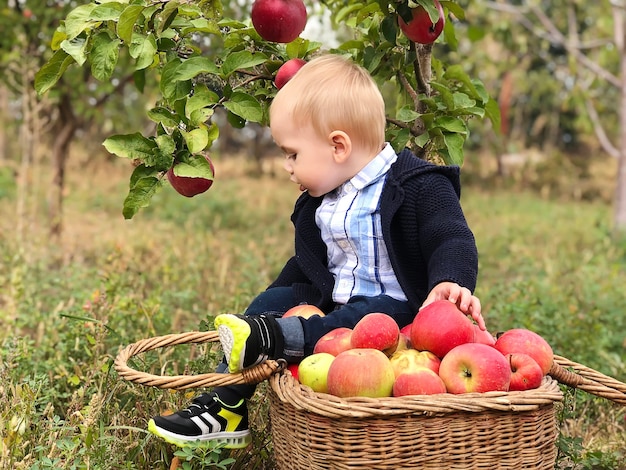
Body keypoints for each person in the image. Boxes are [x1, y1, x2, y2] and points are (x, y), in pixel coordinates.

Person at [147, 54, 483, 449]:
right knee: (271, 301)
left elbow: (452, 237)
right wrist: (268, 304)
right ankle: (224, 407)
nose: (287, 167)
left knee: (367, 317)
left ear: (338, 146)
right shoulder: (321, 199)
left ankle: (279, 337)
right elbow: (308, 265)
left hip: (398, 315)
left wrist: (450, 281)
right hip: (334, 302)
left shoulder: (419, 185)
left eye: (293, 154)